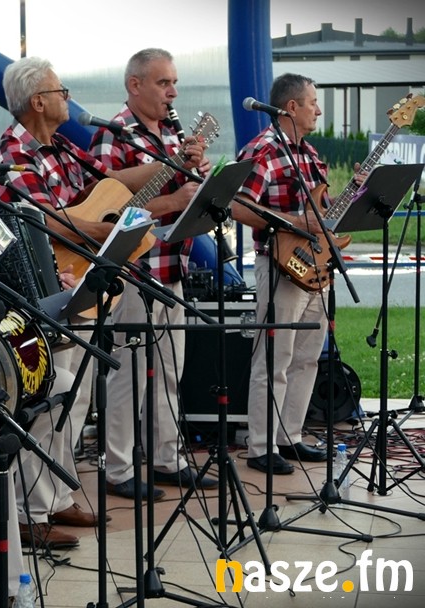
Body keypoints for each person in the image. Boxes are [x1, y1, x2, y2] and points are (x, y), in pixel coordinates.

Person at [0, 55, 169, 561]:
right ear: (37, 101)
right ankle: (29, 511)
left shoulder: (62, 147)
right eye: (60, 90)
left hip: (78, 281)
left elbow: (110, 182)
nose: (68, 97)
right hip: (39, 291)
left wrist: (168, 164)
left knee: (76, 396)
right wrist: (105, 233)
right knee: (46, 396)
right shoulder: (13, 153)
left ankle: (57, 496)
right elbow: (44, 220)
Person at [88, 48, 217, 499]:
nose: (173, 92)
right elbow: (107, 210)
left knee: (169, 371)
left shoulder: (170, 137)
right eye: (164, 83)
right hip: (133, 271)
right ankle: (118, 468)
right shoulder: (113, 136)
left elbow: (182, 199)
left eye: (174, 82)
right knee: (128, 371)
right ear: (135, 85)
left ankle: (167, 459)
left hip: (172, 267)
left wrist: (198, 186)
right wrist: (174, 200)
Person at [234, 73, 331, 475]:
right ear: (291, 107)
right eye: (312, 102)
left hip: (316, 268)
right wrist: (294, 222)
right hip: (279, 266)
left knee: (306, 358)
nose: (318, 110)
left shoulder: (308, 153)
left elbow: (321, 212)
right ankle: (260, 445)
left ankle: (289, 436)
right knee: (274, 359)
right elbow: (238, 206)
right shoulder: (262, 150)